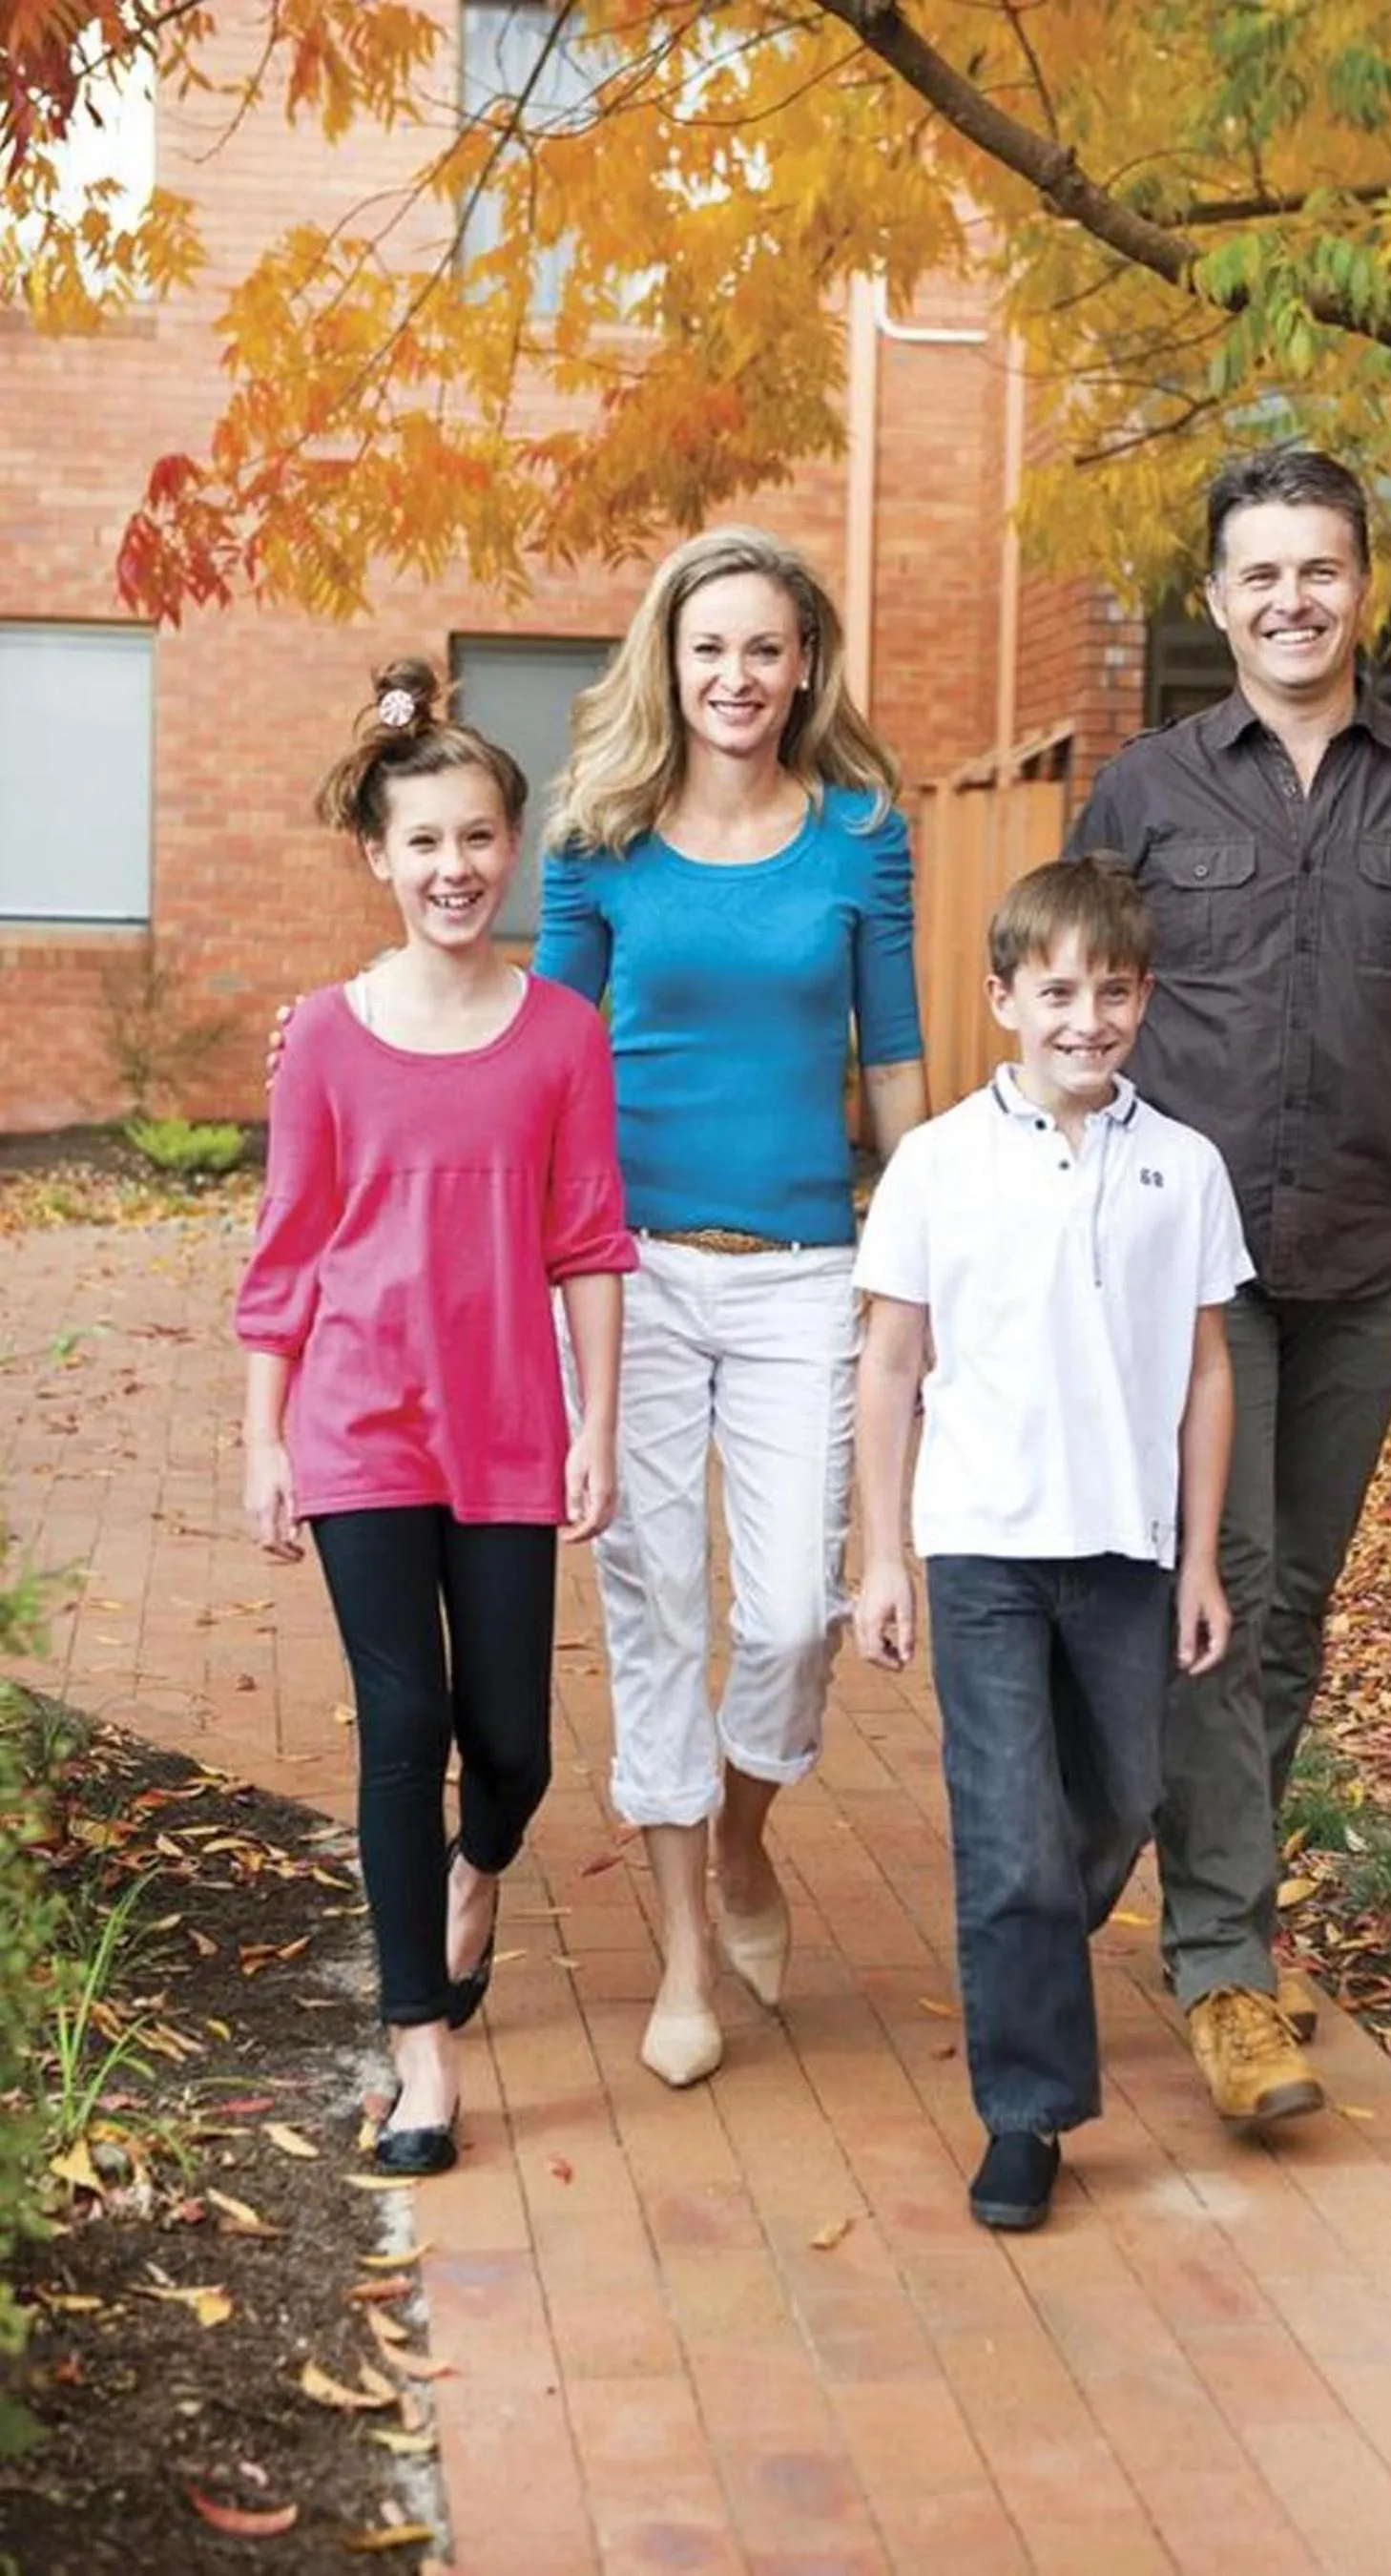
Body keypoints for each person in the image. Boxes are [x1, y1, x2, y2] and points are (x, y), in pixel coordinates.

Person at [1066, 447, 1391, 2127]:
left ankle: (1118, 1853)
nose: (1290, 600)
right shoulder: (1143, 793)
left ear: (1365, 587)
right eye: (1257, 574)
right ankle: (1226, 1972)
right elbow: (1071, 1015)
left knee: (1278, 1617)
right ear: (1214, 599)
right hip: (1185, 1272)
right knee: (1226, 1587)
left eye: (1320, 570)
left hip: (1367, 1251)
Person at [536, 528, 928, 2088]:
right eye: (709, 650)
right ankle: (688, 1955)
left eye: (764, 650)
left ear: (805, 665)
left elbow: (893, 1060)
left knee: (783, 1617)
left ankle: (748, 1837)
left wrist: (921, 1261)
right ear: (668, 660)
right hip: (624, 1273)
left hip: (803, 1274)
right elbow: (543, 1058)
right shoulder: (597, 836)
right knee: (657, 1616)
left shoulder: (858, 838)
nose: (736, 678)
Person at [237, 660, 634, 2175]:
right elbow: (288, 1243)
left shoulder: (559, 1037)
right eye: (424, 843)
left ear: (511, 847)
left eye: (478, 839)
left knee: (513, 1748)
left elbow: (590, 1239)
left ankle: (479, 1871)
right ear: (378, 858)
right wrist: (263, 1435)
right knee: (404, 1726)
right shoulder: (327, 1040)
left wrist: (597, 1420)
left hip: (509, 1428)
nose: (453, 868)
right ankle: (421, 2057)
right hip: (359, 1424)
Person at [851, 858, 1249, 2229]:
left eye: (1114, 991)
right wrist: (879, 1556)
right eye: (1059, 991)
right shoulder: (939, 1163)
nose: (1088, 1018)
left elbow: (1206, 1373)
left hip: (1129, 1555)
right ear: (1005, 998)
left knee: (1121, 1806)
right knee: (1015, 1847)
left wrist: (1199, 1560)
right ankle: (1025, 2116)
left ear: (1143, 999)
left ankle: (1018, 1956)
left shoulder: (1181, 1166)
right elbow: (890, 1363)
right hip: (982, 1552)